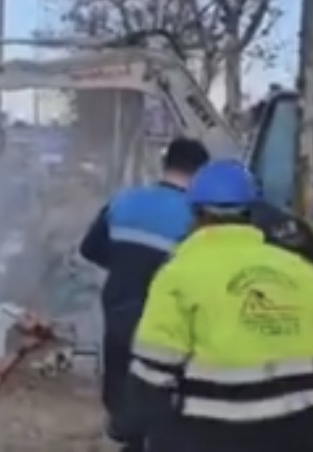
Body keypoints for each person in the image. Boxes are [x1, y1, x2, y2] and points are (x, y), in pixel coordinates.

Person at [123, 159, 313, 452]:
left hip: (209, 436)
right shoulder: (302, 272)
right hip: (293, 434)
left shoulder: (180, 273)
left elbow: (151, 376)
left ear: (197, 214)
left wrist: (130, 431)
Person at [78, 136, 210, 451]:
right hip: (165, 327)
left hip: (119, 313)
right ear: (201, 175)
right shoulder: (198, 219)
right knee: (163, 408)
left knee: (122, 403)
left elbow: (89, 249)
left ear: (165, 165)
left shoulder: (123, 201)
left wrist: (125, 267)